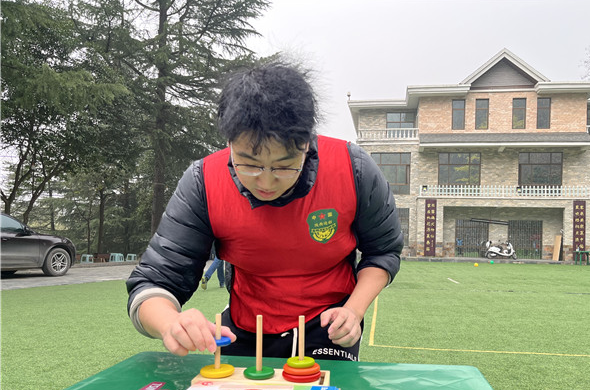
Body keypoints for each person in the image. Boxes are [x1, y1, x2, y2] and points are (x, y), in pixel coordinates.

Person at [126, 62, 403, 362]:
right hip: (245, 328)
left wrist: (353, 310)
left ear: (307, 143)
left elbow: (383, 250)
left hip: (328, 324)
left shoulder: (352, 168)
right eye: (249, 164)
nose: (267, 182)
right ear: (229, 142)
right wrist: (170, 324)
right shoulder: (203, 181)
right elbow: (154, 281)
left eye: (284, 166)